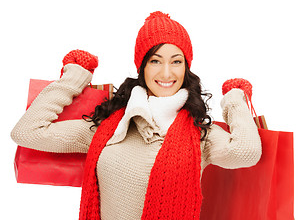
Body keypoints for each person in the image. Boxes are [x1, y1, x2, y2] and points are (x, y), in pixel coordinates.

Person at [11, 11, 262, 220]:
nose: (166, 73)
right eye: (155, 61)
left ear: (186, 67)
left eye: (176, 61)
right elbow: (27, 132)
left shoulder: (200, 134)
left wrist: (235, 99)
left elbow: (247, 152)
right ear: (141, 66)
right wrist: (74, 77)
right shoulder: (108, 127)